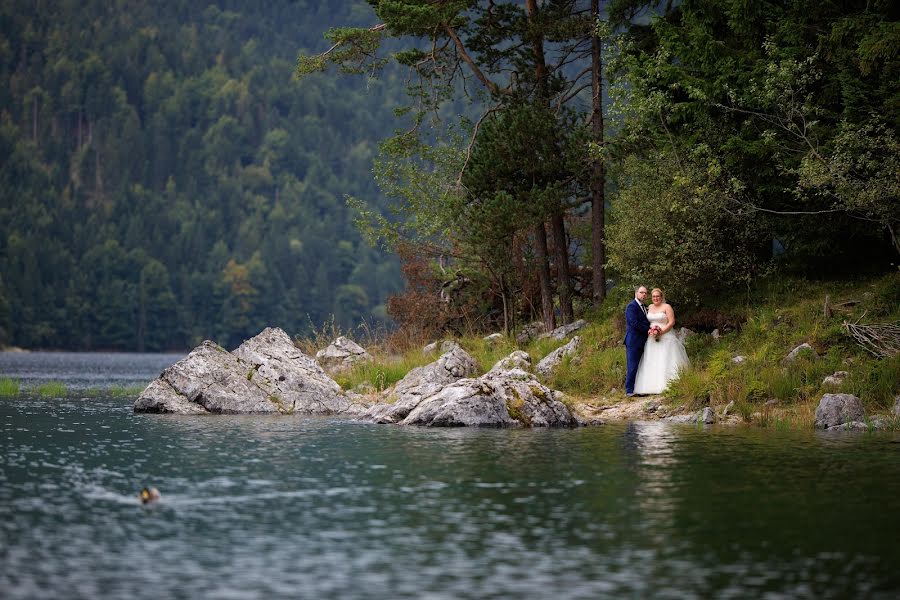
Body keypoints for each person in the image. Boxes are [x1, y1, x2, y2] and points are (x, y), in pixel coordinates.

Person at [633, 288, 690, 395]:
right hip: (651, 338)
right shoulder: (649, 307)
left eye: (657, 296)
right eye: (653, 296)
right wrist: (651, 332)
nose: (655, 298)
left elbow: (672, 322)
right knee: (652, 360)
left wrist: (661, 331)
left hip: (666, 336)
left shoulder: (667, 307)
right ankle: (650, 386)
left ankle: (668, 384)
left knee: (665, 358)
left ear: (661, 297)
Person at [624, 285, 651, 396]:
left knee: (642, 366)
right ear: (636, 293)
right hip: (633, 341)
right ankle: (629, 390)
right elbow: (634, 323)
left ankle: (640, 389)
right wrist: (648, 328)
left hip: (644, 341)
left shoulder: (645, 307)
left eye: (645, 293)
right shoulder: (631, 306)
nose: (643, 295)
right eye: (641, 292)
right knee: (632, 366)